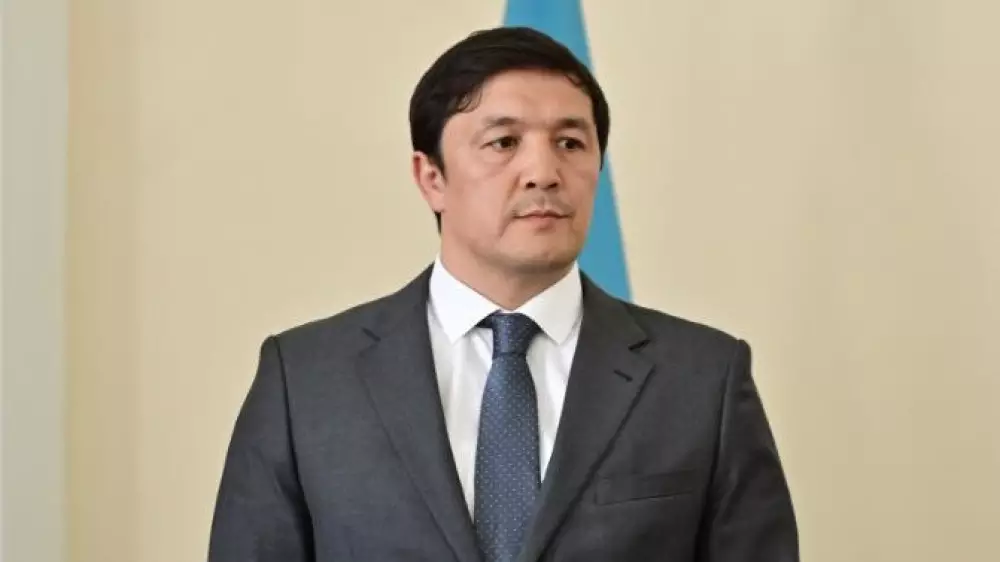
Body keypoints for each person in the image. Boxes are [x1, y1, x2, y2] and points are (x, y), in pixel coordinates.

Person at [208, 26, 799, 562]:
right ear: (431, 178)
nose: (543, 172)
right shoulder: (306, 381)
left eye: (571, 143)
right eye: (504, 142)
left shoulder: (703, 379)